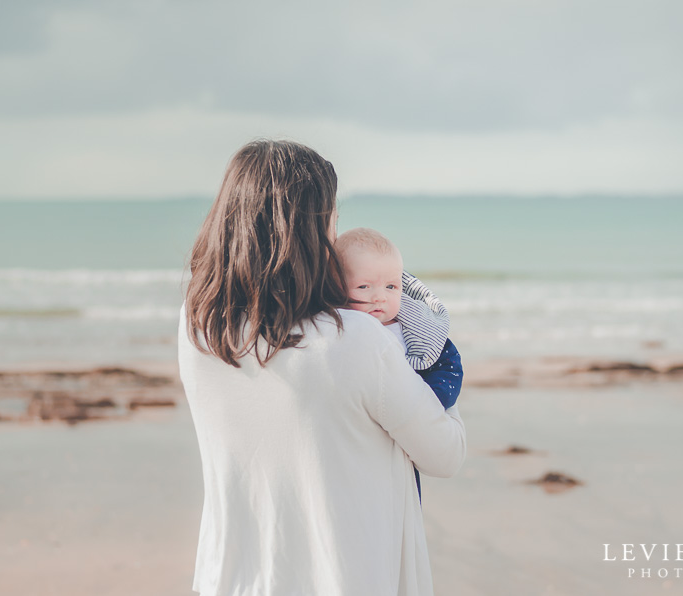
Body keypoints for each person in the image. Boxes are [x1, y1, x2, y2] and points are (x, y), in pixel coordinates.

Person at [178, 139, 467, 596]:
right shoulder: (354, 340)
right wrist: (430, 358)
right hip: (343, 578)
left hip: (232, 578)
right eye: (332, 220)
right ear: (309, 231)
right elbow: (445, 453)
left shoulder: (200, 324)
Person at [335, 227, 464, 498]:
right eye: (363, 286)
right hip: (363, 447)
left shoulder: (415, 331)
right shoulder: (338, 329)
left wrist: (433, 401)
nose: (380, 296)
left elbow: (449, 367)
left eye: (391, 286)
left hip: (410, 426)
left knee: (403, 492)